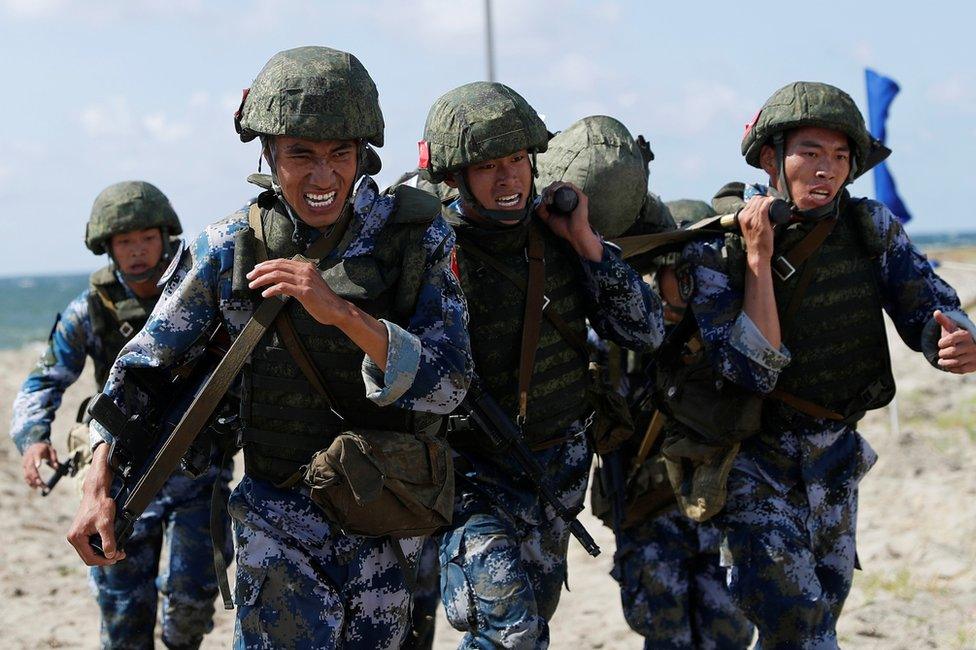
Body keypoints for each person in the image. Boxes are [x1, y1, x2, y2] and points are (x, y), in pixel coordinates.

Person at [67, 46, 472, 649]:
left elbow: (450, 385)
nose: (322, 176)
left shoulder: (415, 238)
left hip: (386, 522)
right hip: (275, 520)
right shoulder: (231, 245)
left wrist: (341, 314)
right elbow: (142, 368)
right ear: (269, 155)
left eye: (340, 155)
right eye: (300, 156)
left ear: (363, 155)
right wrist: (97, 481)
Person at [679, 81, 976, 648]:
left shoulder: (870, 228)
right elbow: (753, 370)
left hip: (835, 462)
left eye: (840, 156)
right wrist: (760, 260)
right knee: (802, 624)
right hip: (752, 464)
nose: (828, 170)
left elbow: (930, 309)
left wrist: (958, 341)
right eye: (810, 153)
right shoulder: (718, 250)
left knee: (814, 624)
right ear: (771, 157)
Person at [419, 83, 664, 649]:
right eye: (486, 167)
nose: (508, 179)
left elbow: (644, 330)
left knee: (527, 625)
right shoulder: (432, 250)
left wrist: (585, 241)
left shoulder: (560, 237)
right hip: (470, 477)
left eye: (515, 161)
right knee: (512, 632)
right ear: (454, 176)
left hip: (557, 472)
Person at [10, 180, 233, 649]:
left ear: (166, 239)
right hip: (120, 481)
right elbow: (45, 378)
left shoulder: (200, 295)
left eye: (146, 239)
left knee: (190, 610)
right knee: (124, 613)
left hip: (196, 477)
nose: (136, 252)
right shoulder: (91, 310)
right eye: (124, 242)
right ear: (107, 248)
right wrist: (33, 435)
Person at [591, 196, 755, 650]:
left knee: (730, 633)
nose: (691, 286)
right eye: (680, 273)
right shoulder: (622, 340)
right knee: (666, 635)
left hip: (718, 508)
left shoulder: (727, 336)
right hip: (651, 513)